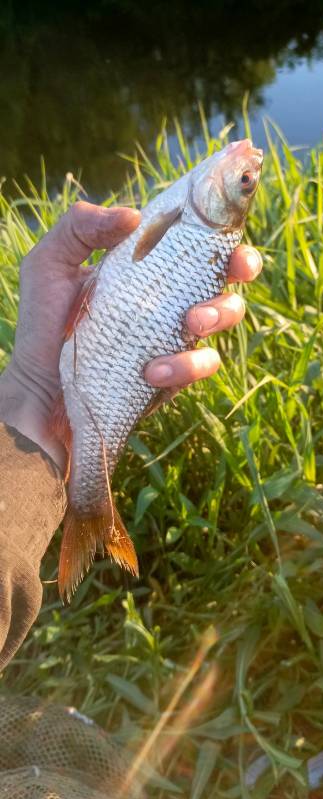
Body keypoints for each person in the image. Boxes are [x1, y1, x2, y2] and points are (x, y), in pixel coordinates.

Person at [0, 199, 263, 670]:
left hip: (90, 370)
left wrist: (32, 392)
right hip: (89, 363)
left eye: (245, 184)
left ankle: (91, 509)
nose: (247, 167)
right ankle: (92, 512)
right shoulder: (192, 216)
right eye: (245, 182)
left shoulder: (196, 220)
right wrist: (34, 386)